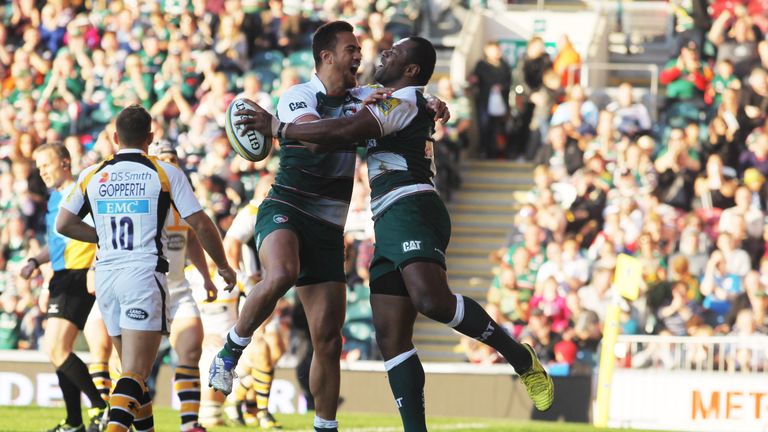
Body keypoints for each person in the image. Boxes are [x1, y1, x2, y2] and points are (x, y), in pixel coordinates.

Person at [231, 36, 555, 432]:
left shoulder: (399, 101)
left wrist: (277, 127)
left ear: (411, 69)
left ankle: (520, 359)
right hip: (387, 216)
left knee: (430, 299)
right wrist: (432, 100)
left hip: (412, 204)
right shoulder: (391, 97)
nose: (382, 54)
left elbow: (346, 130)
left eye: (393, 53)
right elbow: (357, 110)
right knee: (391, 335)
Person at [209, 22, 447, 432]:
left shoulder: (367, 97)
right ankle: (231, 351)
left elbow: (408, 100)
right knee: (281, 272)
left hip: (328, 227)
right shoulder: (298, 96)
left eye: (359, 49)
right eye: (351, 49)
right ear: (326, 56)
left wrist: (430, 102)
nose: (359, 55)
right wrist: (281, 129)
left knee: (328, 338)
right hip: (287, 205)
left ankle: (325, 426)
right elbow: (318, 140)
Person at [57, 105, 236, 432]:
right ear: (150, 137)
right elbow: (201, 224)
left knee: (129, 371)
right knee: (135, 373)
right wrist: (223, 266)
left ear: (114, 137)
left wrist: (99, 235)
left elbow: (64, 223)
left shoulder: (92, 174)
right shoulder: (165, 173)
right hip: (142, 274)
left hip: (108, 277)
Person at [19, 142, 109, 432]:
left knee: (56, 347)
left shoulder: (82, 192)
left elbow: (102, 232)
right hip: (60, 275)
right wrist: (35, 260)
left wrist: (95, 266)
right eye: (40, 167)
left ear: (65, 163)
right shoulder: (55, 198)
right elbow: (58, 244)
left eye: (47, 165)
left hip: (78, 274)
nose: (42, 172)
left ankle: (100, 407)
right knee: (59, 350)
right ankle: (74, 421)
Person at [154, 143, 220, 432]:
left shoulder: (184, 199)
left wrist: (206, 276)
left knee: (192, 349)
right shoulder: (145, 195)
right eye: (163, 159)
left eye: (173, 159)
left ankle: (190, 423)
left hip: (178, 289)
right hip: (146, 289)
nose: (170, 163)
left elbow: (192, 238)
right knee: (133, 365)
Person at [223, 174, 286, 429]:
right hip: (253, 291)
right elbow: (231, 243)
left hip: (268, 290)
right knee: (261, 349)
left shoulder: (270, 211)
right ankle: (261, 412)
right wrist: (243, 279)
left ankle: (239, 400)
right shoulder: (252, 211)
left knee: (276, 349)